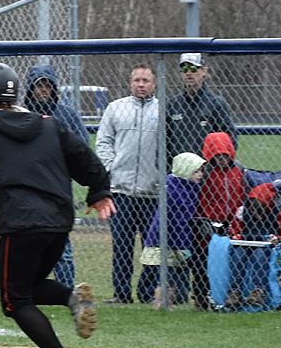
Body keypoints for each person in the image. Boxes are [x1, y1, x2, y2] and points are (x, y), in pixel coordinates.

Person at [0, 61, 115, 348]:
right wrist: (98, 191)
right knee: (30, 285)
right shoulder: (47, 123)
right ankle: (72, 298)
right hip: (58, 220)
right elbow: (86, 158)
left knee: (14, 300)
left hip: (22, 221)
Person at [94, 63, 160, 304]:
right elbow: (103, 142)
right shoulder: (115, 108)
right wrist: (112, 168)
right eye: (137, 80)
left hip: (152, 193)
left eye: (146, 80)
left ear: (154, 83)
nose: (141, 85)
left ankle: (146, 294)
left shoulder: (163, 109)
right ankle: (121, 294)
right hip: (121, 191)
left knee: (151, 248)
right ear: (130, 83)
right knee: (121, 246)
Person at [24, 64, 90, 289]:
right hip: (28, 187)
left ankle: (66, 289)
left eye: (47, 85)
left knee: (62, 243)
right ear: (30, 88)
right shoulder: (21, 113)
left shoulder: (66, 114)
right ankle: (30, 288)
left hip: (58, 186)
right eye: (39, 85)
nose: (43, 90)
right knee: (29, 241)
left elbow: (81, 144)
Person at [138, 152, 207, 309]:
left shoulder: (190, 188)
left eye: (201, 171)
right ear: (185, 170)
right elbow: (176, 221)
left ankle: (166, 302)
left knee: (176, 278)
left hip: (180, 240)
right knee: (164, 275)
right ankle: (160, 303)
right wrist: (183, 246)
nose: (201, 175)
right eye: (196, 171)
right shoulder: (173, 190)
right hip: (165, 240)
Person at [191, 131, 247, 310]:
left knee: (231, 261)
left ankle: (228, 295)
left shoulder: (238, 171)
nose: (222, 160)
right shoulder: (204, 173)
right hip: (207, 224)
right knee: (202, 263)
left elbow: (241, 196)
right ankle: (201, 296)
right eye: (217, 157)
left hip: (232, 223)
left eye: (225, 156)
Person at [224, 183, 281, 310]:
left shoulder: (279, 212)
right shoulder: (242, 211)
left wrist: (278, 239)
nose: (256, 215)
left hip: (267, 245)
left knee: (259, 256)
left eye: (259, 211)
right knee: (238, 255)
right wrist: (235, 236)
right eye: (252, 211)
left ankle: (258, 291)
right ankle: (234, 291)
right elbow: (235, 229)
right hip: (246, 243)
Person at [165, 53, 236, 164]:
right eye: (184, 69)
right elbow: (165, 141)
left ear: (204, 71)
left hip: (208, 172)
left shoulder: (216, 104)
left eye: (193, 69)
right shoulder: (173, 105)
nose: (188, 73)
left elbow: (230, 140)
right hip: (179, 172)